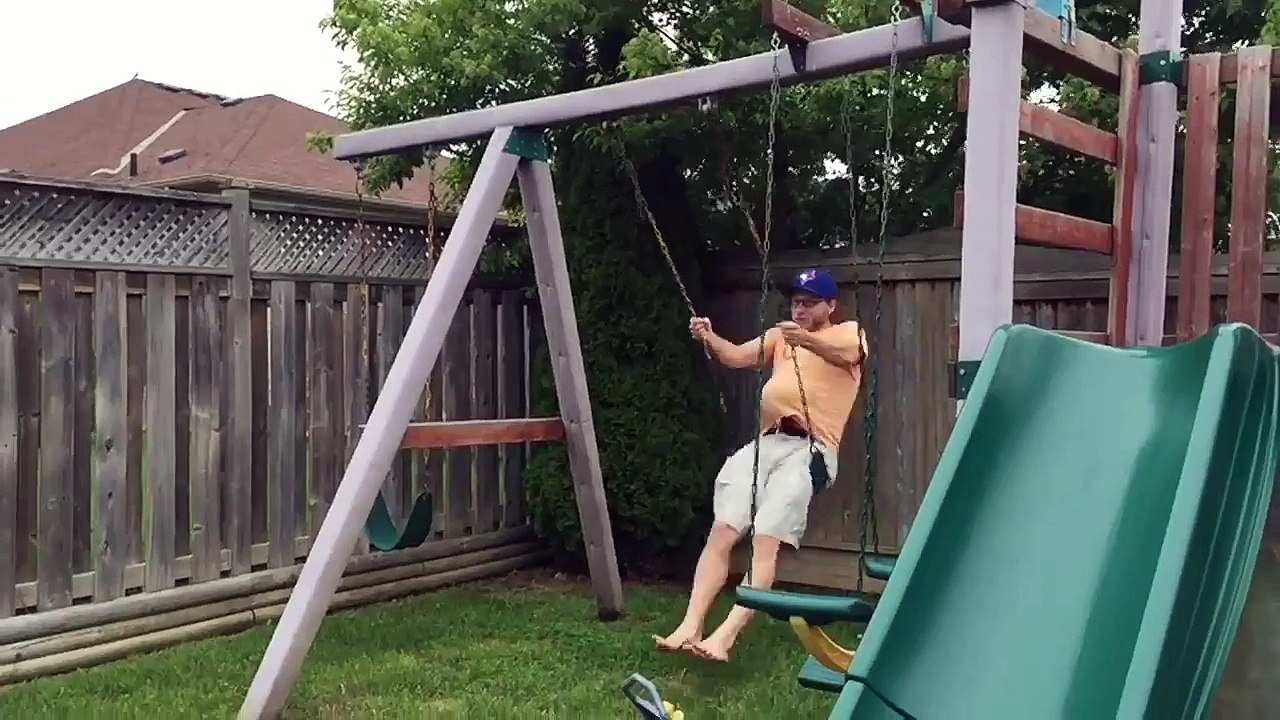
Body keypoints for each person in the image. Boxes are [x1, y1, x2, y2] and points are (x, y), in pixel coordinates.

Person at [653, 267, 868, 662]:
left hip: (810, 451)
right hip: (766, 445)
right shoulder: (778, 339)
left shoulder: (847, 333)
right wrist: (709, 335)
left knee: (765, 541)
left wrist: (806, 340)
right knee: (722, 531)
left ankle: (724, 638)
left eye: (809, 303)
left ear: (831, 306)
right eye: (796, 303)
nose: (799, 309)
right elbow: (735, 357)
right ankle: (690, 626)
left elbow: (847, 355)